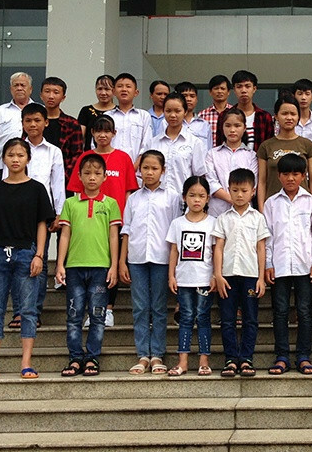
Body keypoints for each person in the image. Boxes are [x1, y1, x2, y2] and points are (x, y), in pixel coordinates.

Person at [0, 138, 54, 379]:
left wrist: (39, 254)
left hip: (26, 253)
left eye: (20, 155)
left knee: (28, 310)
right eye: (11, 155)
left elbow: (42, 224)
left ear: (28, 158)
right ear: (3, 158)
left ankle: (26, 363)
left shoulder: (37, 188)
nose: (15, 159)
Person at [66, 115, 138, 328]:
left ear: (114, 134)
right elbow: (75, 190)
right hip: (89, 220)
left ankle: (108, 308)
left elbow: (128, 191)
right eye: (98, 131)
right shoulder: (85, 157)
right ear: (92, 134)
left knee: (111, 261)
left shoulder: (123, 158)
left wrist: (126, 218)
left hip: (115, 218)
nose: (102, 135)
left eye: (107, 131)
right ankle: (90, 309)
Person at [55, 154, 122, 377]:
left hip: (101, 268)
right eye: (87, 173)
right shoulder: (70, 203)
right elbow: (64, 235)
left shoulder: (111, 204)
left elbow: (114, 237)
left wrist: (113, 265)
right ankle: (75, 357)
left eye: (97, 173)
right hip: (74, 267)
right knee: (74, 315)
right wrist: (60, 265)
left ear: (104, 177)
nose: (92, 177)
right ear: (80, 176)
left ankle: (92, 357)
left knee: (97, 314)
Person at [118, 150, 182, 375]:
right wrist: (121, 261)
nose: (150, 172)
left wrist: (174, 267)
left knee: (158, 307)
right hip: (136, 258)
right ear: (139, 170)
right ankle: (142, 355)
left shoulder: (173, 197)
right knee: (140, 307)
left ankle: (157, 354)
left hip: (162, 258)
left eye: (155, 168)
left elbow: (176, 232)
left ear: (163, 171)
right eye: (145, 168)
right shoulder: (133, 198)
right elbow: (126, 230)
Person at [5, 103, 65, 329]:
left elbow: (58, 184)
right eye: (28, 121)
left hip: (42, 213)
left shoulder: (53, 151)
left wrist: (58, 213)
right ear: (22, 123)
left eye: (37, 120)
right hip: (15, 214)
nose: (33, 124)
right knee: (15, 262)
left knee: (38, 260)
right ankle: (18, 310)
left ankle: (33, 311)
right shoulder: (14, 149)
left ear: (46, 122)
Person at [263, 153, 312, 376]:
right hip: (279, 266)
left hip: (305, 265)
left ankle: (304, 356)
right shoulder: (271, 203)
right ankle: (282, 356)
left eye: (295, 174)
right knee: (280, 312)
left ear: (304, 176)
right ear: (278, 176)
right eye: (286, 174)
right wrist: (268, 263)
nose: (290, 178)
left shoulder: (311, 202)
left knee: (305, 311)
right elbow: (267, 237)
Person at [212, 168, 269, 377]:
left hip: (250, 276)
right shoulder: (223, 218)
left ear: (253, 191)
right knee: (227, 319)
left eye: (244, 190)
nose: (239, 195)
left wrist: (261, 278)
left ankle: (246, 358)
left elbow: (261, 247)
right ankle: (230, 359)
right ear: (229, 189)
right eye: (235, 190)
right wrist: (217, 275)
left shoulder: (257, 218)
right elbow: (218, 246)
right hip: (227, 276)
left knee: (250, 318)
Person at [166, 175, 217, 377]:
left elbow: (216, 252)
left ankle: (204, 360)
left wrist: (215, 275)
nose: (196, 200)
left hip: (205, 279)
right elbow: (174, 251)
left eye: (201, 196)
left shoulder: (213, 223)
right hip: (184, 279)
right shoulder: (177, 224)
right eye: (192, 195)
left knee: (203, 318)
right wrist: (171, 276)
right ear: (184, 197)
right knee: (186, 318)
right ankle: (183, 361)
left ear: (207, 199)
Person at [257, 94, 312, 207]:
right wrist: (262, 209)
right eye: (284, 114)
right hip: (273, 207)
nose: (289, 118)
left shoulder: (307, 145)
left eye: (293, 114)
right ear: (276, 116)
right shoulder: (266, 146)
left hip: (302, 205)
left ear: (298, 117)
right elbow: (262, 181)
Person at [148, 92, 208, 195]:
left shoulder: (194, 143)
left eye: (177, 111)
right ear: (163, 112)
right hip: (157, 201)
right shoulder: (153, 143)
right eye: (168, 111)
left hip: (183, 200)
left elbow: (199, 176)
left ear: (185, 112)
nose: (172, 115)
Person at [205, 107, 258, 217]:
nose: (232, 130)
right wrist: (233, 199)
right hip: (217, 211)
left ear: (244, 128)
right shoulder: (212, 154)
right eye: (228, 125)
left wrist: (239, 199)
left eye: (237, 126)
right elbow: (211, 182)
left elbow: (253, 183)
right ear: (222, 128)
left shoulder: (251, 155)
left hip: (244, 213)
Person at [38, 76, 84, 188]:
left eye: (56, 92)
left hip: (63, 181)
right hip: (36, 178)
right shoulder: (34, 121)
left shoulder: (72, 124)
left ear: (63, 97)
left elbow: (76, 155)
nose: (51, 96)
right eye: (47, 91)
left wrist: (61, 176)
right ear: (41, 95)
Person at [215, 70, 274, 151]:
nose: (243, 90)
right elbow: (219, 145)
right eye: (239, 86)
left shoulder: (264, 117)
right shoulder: (224, 116)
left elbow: (269, 147)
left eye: (247, 86)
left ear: (254, 89)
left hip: (258, 162)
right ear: (234, 89)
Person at [0, 72, 35, 171]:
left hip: (32, 166)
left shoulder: (39, 110)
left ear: (30, 89)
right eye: (16, 85)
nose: (19, 88)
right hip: (3, 166)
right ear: (11, 89)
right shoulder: (1, 111)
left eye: (23, 85)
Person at [108, 73, 153, 163]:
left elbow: (147, 144)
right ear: (113, 92)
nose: (124, 89)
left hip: (136, 171)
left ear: (136, 92)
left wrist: (135, 166)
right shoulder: (107, 116)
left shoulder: (144, 116)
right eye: (120, 86)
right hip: (111, 169)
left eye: (128, 86)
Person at [77, 74, 116, 151]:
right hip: (90, 157)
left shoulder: (118, 111)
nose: (103, 93)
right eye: (100, 89)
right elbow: (79, 138)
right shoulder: (86, 111)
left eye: (107, 89)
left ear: (114, 91)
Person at [175, 81, 213, 151]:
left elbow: (209, 149)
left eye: (192, 96)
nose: (189, 99)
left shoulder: (204, 124)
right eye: (185, 96)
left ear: (196, 99)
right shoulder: (168, 122)